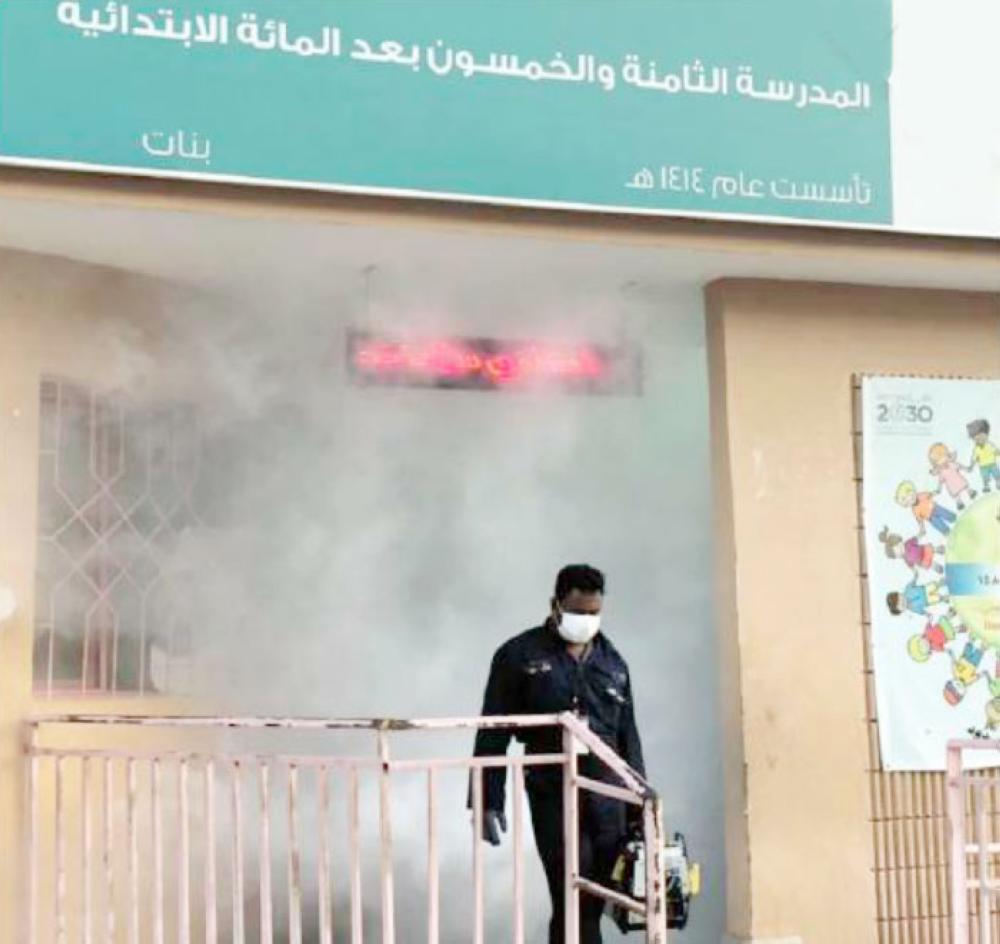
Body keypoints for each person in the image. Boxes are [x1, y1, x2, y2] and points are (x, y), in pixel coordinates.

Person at [471, 564, 645, 944]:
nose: (586, 620)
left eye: (593, 613)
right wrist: (487, 798)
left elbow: (627, 737)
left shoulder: (613, 664)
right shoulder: (519, 655)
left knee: (596, 898)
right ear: (555, 604)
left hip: (608, 795)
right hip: (553, 789)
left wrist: (639, 809)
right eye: (578, 611)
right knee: (570, 890)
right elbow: (493, 728)